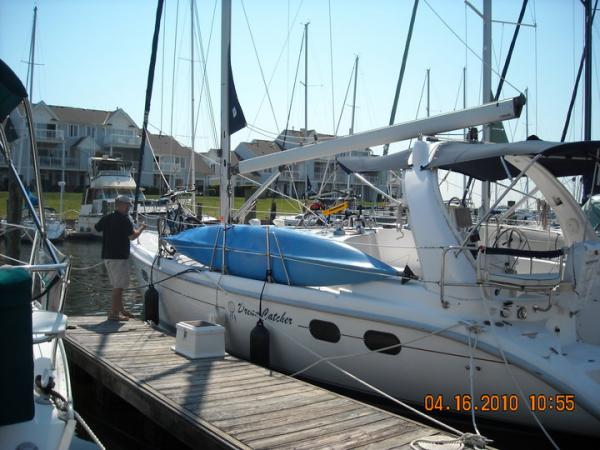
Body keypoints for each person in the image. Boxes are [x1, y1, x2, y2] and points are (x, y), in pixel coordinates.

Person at [95, 195, 146, 321]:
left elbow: (97, 228)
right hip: (118, 258)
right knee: (119, 286)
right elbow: (133, 236)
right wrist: (142, 228)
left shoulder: (108, 217)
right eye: (128, 205)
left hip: (108, 256)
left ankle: (120, 309)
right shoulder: (124, 219)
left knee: (118, 285)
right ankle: (114, 314)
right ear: (122, 205)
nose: (129, 207)